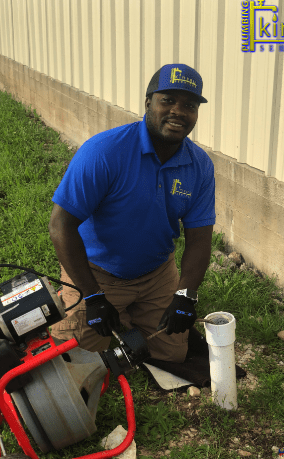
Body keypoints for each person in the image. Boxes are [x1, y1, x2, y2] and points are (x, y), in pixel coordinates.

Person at [48, 63, 215, 366]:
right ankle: (100, 306)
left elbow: (200, 240)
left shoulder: (199, 166)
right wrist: (93, 296)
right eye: (167, 100)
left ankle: (129, 314)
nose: (178, 111)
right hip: (98, 271)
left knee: (172, 354)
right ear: (148, 102)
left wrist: (186, 295)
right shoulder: (104, 152)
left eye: (189, 105)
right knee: (80, 354)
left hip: (157, 274)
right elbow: (60, 226)